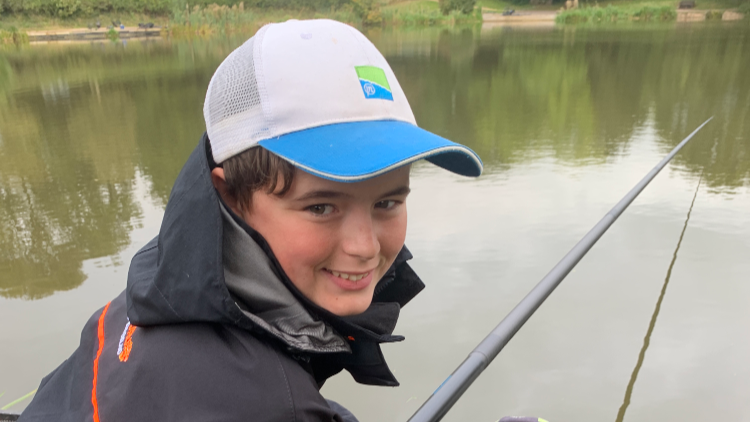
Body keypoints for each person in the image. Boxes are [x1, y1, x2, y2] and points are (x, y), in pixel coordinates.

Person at [18, 19, 482, 422]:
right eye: (321, 207)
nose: (364, 246)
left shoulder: (162, 278)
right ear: (230, 195)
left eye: (387, 203)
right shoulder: (270, 406)